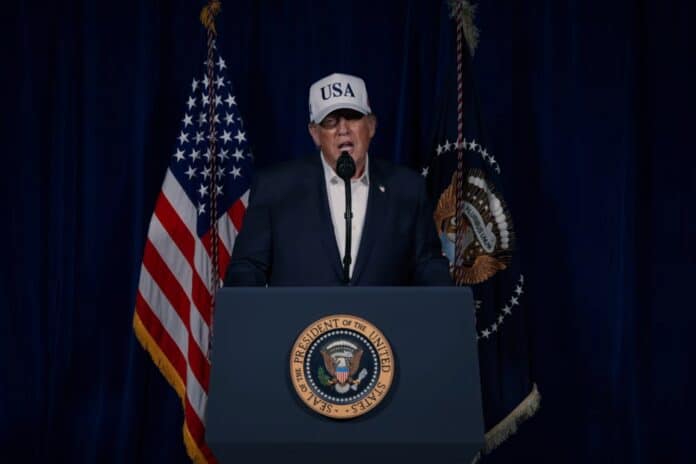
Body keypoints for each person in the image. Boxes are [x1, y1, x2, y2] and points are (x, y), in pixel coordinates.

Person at [224, 72, 451, 286]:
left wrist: (447, 299)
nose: (343, 129)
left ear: (371, 126)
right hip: (299, 317)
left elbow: (429, 266)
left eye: (352, 117)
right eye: (330, 121)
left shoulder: (407, 188)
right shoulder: (275, 188)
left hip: (384, 317)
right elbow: (247, 268)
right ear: (315, 134)